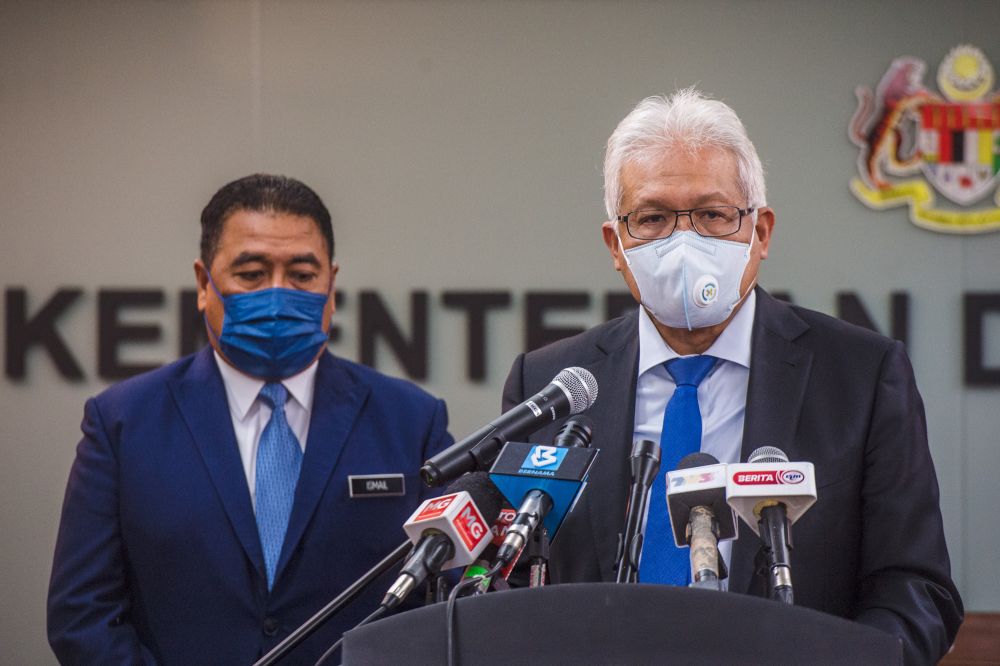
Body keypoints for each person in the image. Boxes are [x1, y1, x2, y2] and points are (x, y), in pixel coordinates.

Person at [502, 89, 962, 664]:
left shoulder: (861, 377)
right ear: (616, 246)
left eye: (713, 215)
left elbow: (915, 589)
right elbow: (510, 580)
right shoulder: (549, 384)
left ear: (760, 232)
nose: (683, 242)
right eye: (652, 218)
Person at [48, 174, 453, 664]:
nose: (278, 296)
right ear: (204, 283)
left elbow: (449, 596)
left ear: (332, 283)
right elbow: (83, 615)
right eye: (252, 274)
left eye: (302, 275)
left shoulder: (410, 421)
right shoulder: (122, 423)